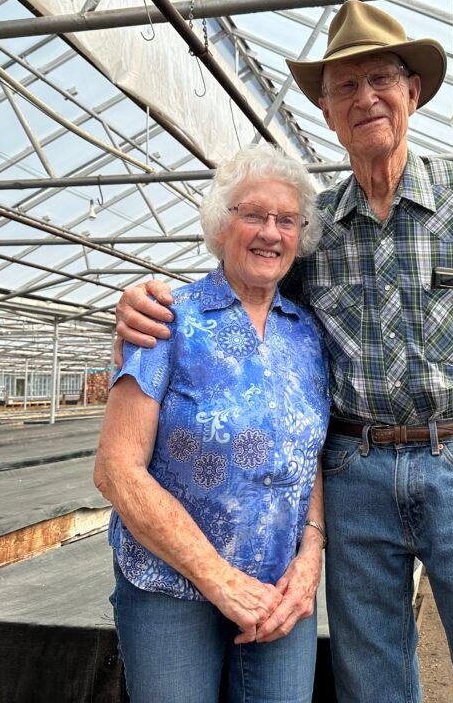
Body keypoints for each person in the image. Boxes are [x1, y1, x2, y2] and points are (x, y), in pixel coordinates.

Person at [114, 0, 453, 703]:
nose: (365, 99)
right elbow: (246, 294)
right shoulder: (314, 229)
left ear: (412, 91)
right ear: (327, 113)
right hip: (355, 470)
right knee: (372, 679)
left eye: (381, 79)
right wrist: (144, 301)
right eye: (344, 88)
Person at [94, 143, 330, 703]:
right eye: (252, 214)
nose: (270, 232)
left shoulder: (308, 335)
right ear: (220, 228)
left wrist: (311, 554)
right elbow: (116, 470)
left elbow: (309, 457)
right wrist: (220, 580)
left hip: (279, 591)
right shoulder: (166, 318)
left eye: (286, 220)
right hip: (170, 585)